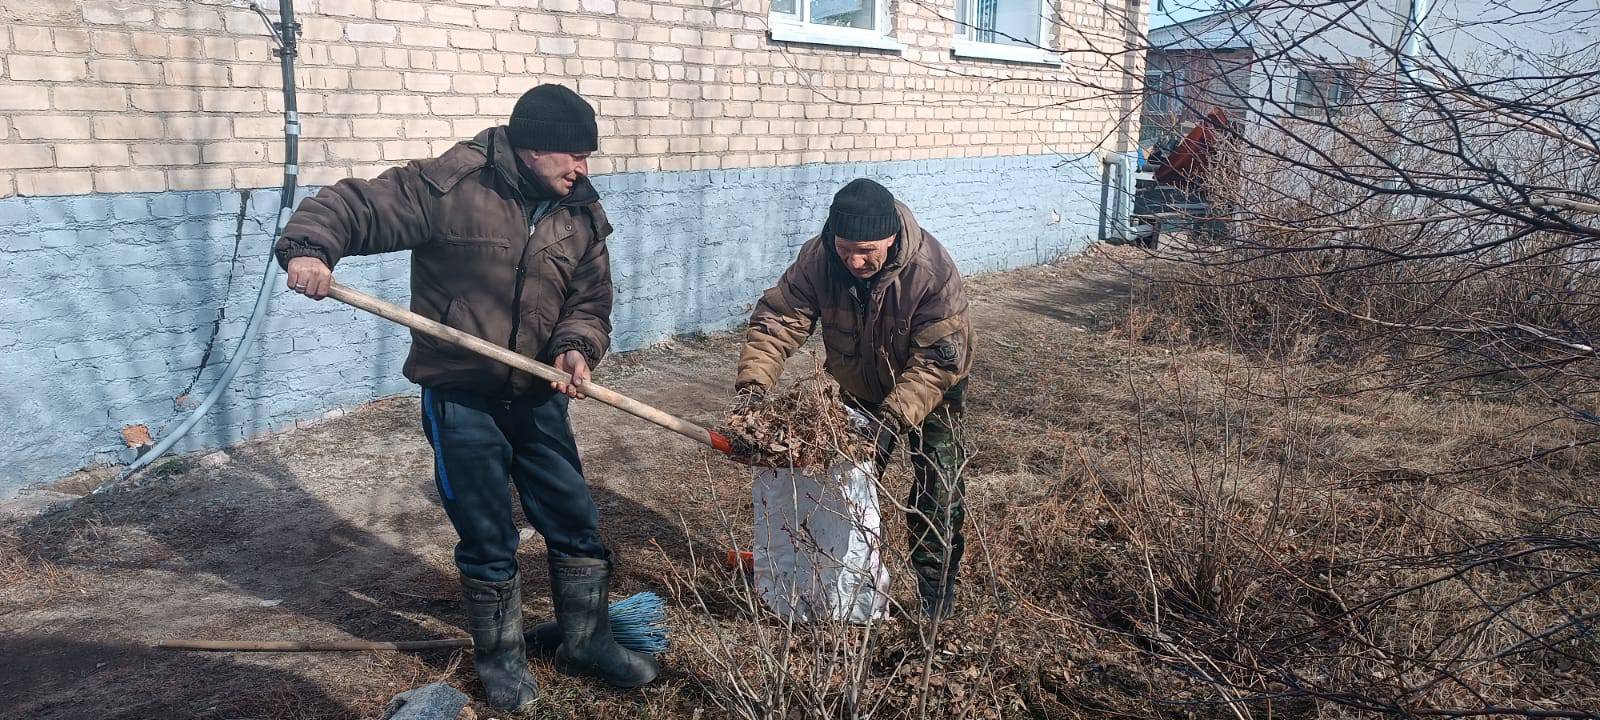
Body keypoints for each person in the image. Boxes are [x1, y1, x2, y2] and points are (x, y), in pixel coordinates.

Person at [273, 84, 656, 711]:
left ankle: (587, 641)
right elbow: (353, 206)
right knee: (486, 531)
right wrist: (311, 249)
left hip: (536, 391)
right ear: (535, 149)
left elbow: (589, 302)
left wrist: (576, 347)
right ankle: (502, 660)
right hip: (460, 394)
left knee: (573, 515)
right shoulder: (450, 187)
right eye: (574, 157)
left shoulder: (578, 212)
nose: (584, 169)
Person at [734, 178, 975, 620]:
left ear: (891, 238)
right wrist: (753, 386)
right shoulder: (819, 258)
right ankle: (838, 592)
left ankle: (935, 600)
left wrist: (894, 417)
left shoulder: (932, 271)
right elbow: (779, 321)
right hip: (858, 388)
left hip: (932, 390)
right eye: (846, 248)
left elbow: (939, 361)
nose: (855, 260)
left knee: (936, 492)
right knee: (841, 490)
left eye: (867, 250)